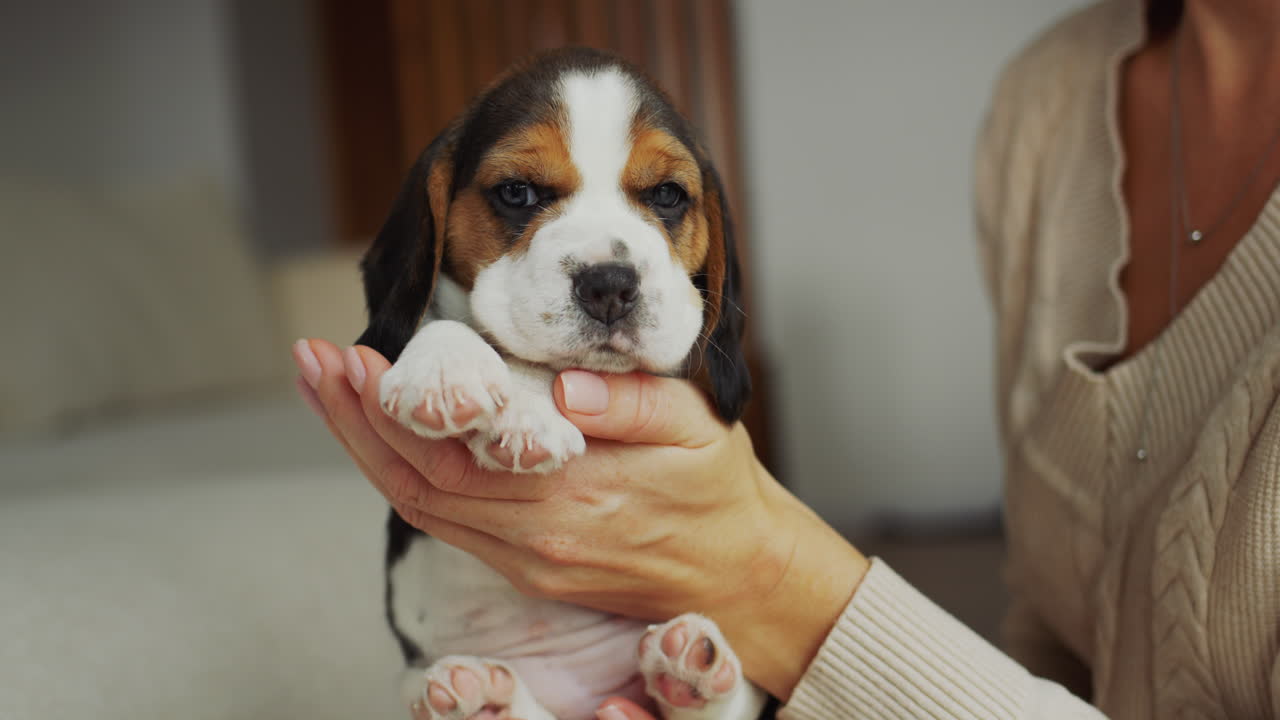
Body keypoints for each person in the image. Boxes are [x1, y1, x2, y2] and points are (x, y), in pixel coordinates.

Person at [293, 0, 1280, 716]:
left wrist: (766, 576)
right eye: (520, 195)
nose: (606, 268)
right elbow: (1050, 633)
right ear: (437, 208)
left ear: (712, 247)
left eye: (663, 198)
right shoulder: (1050, 100)